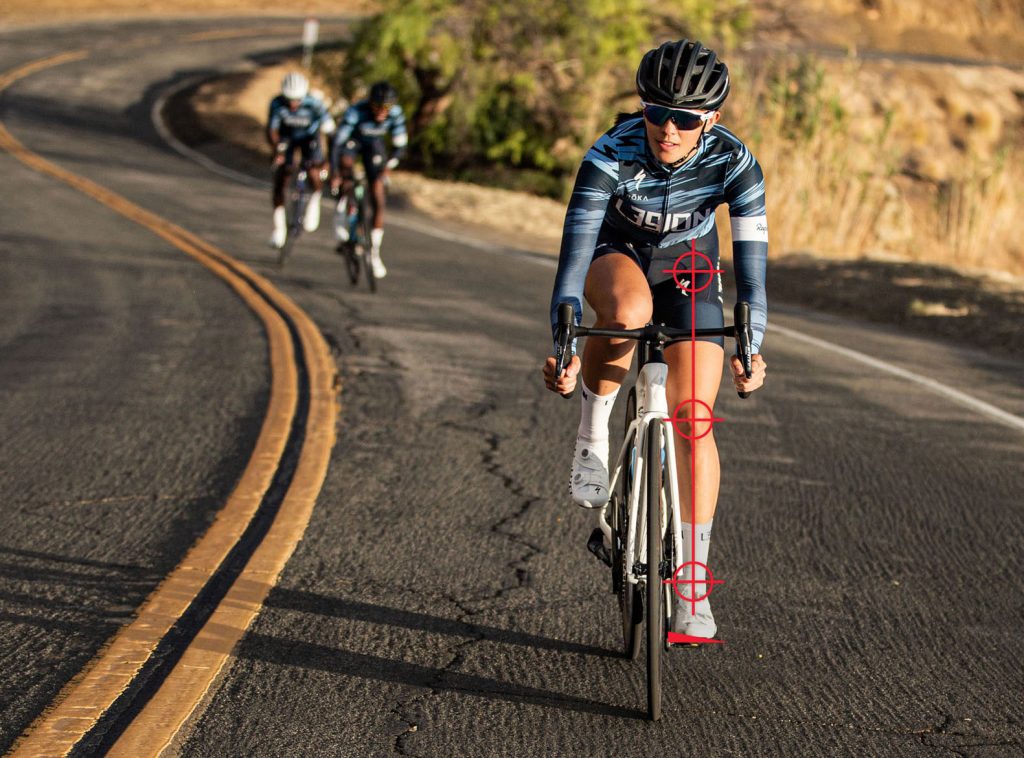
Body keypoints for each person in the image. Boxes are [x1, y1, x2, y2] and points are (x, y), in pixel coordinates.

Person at [542, 39, 769, 640]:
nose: (668, 129)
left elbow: (751, 271)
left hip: (689, 265)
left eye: (686, 119)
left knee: (695, 416)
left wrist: (751, 344)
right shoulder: (607, 155)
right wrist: (564, 338)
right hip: (615, 255)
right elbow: (571, 263)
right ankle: (593, 434)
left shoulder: (735, 162)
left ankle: (692, 581)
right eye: (655, 113)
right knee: (630, 309)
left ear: (711, 120)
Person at [330, 81, 408, 279]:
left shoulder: (396, 114)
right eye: (377, 107)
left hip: (374, 148)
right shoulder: (356, 112)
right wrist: (335, 171)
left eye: (386, 108)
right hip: (352, 143)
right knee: (345, 169)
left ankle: (374, 253)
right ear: (370, 103)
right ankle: (342, 214)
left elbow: (400, 145)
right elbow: (338, 144)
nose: (382, 112)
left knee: (378, 195)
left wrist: (389, 166)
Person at [266, 72, 330, 249]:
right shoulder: (277, 103)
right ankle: (278, 228)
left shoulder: (315, 104)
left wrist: (326, 159)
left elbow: (329, 128)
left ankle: (314, 200)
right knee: (282, 176)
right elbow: (272, 130)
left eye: (297, 99)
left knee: (314, 172)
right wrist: (276, 149)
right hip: (287, 137)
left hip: (309, 138)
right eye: (289, 99)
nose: (293, 104)